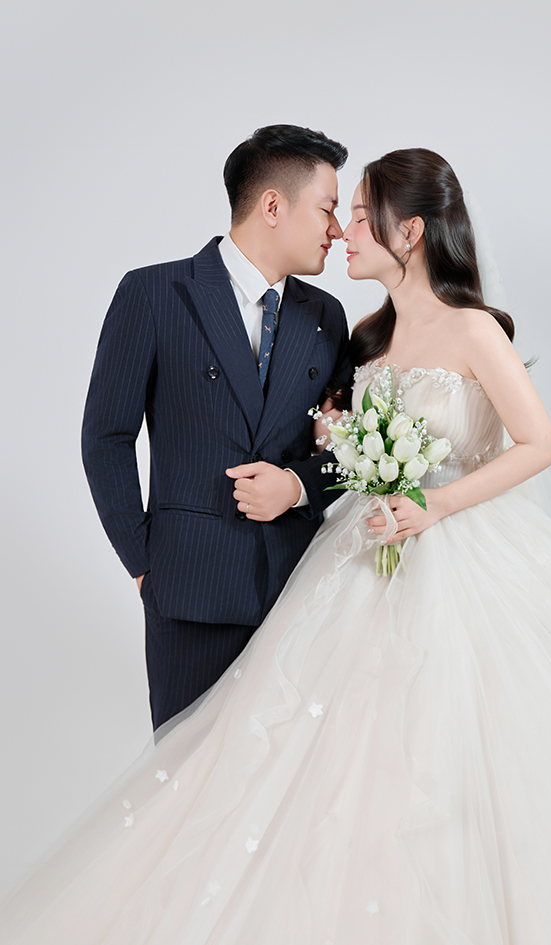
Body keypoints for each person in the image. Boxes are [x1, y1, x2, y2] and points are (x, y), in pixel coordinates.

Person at [3, 149, 551, 944]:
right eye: (338, 210)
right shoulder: (364, 336)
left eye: (363, 215)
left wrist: (429, 503)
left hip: (458, 556)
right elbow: (325, 449)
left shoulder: (470, 328)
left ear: (410, 232)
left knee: (449, 752)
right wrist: (321, 453)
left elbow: (539, 442)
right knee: (310, 757)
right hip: (352, 558)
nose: (344, 229)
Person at [81, 124, 351, 730]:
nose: (337, 229)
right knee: (186, 773)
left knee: (291, 778)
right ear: (273, 206)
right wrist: (144, 563)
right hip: (188, 590)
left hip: (298, 590)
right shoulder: (154, 293)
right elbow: (105, 437)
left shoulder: (326, 317)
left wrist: (297, 486)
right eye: (327, 209)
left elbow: (347, 452)